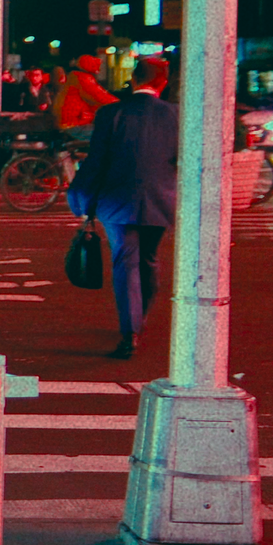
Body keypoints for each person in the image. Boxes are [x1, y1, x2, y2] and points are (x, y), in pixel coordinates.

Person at [68, 57, 179, 360]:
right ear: (163, 83)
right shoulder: (176, 115)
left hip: (116, 200)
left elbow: (96, 162)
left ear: (133, 79)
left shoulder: (111, 113)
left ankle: (130, 332)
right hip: (161, 198)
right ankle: (140, 317)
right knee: (150, 259)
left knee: (125, 261)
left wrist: (81, 198)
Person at [52, 54, 117, 146]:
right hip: (74, 124)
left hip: (73, 122)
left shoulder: (76, 77)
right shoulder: (82, 79)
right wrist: (123, 105)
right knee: (111, 135)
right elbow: (100, 96)